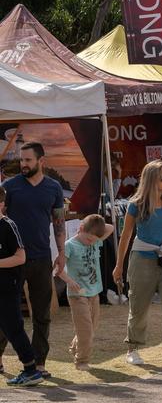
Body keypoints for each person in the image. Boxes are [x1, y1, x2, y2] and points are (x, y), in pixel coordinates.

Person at [112, 160, 162, 368]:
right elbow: (125, 236)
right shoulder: (135, 204)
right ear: (151, 178)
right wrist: (119, 265)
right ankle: (133, 347)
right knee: (138, 306)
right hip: (142, 259)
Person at [0, 142, 64, 378]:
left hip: (41, 258)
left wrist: (61, 254)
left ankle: (39, 363)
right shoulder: (10, 187)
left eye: (28, 160)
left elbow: (58, 224)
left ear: (41, 161)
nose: (23, 164)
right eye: (21, 160)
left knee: (42, 314)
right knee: (7, 312)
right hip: (12, 259)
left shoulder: (54, 188)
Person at [55, 215, 114, 371]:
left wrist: (95, 225)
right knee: (86, 329)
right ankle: (82, 360)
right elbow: (57, 269)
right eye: (89, 239)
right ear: (80, 229)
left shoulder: (95, 239)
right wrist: (69, 281)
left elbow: (111, 228)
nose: (91, 242)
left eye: (94, 240)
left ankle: (75, 347)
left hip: (94, 292)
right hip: (77, 294)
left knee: (91, 328)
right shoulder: (69, 245)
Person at [0, 186, 44, 386]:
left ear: (2, 204)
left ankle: (31, 369)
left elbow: (21, 257)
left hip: (8, 287)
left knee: (14, 328)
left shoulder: (8, 225)